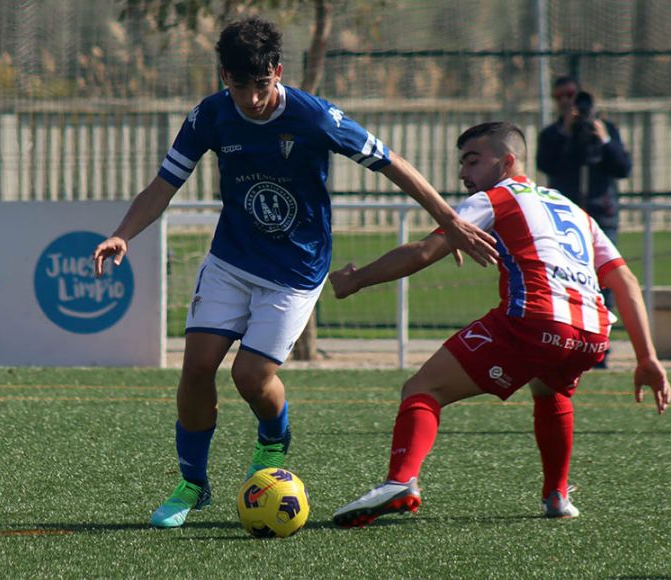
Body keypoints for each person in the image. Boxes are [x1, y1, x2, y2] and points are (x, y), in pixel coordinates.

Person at [91, 17, 498, 529]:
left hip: (295, 268)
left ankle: (272, 438)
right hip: (231, 260)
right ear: (224, 78)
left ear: (277, 73)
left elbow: (391, 161)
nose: (253, 99)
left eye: (261, 86)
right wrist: (123, 233)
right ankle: (192, 484)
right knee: (196, 367)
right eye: (241, 87)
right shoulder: (210, 116)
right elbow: (163, 185)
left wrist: (449, 218)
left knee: (250, 377)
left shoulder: (315, 117)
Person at [329, 122, 671, 528]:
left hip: (534, 320)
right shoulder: (572, 209)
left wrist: (356, 279)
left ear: (507, 162)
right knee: (551, 389)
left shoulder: (497, 197)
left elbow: (422, 252)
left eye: (472, 161)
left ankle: (400, 481)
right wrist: (647, 356)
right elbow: (624, 280)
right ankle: (557, 495)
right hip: (593, 334)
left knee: (422, 388)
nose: (462, 174)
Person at [537, 77, 632, 367]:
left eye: (573, 96)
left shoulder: (605, 129)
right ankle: (566, 345)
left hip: (601, 216)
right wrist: (566, 133)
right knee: (564, 282)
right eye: (562, 96)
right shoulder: (552, 134)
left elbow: (622, 167)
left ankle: (599, 350)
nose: (569, 102)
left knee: (603, 283)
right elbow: (547, 165)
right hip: (564, 220)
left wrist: (603, 138)